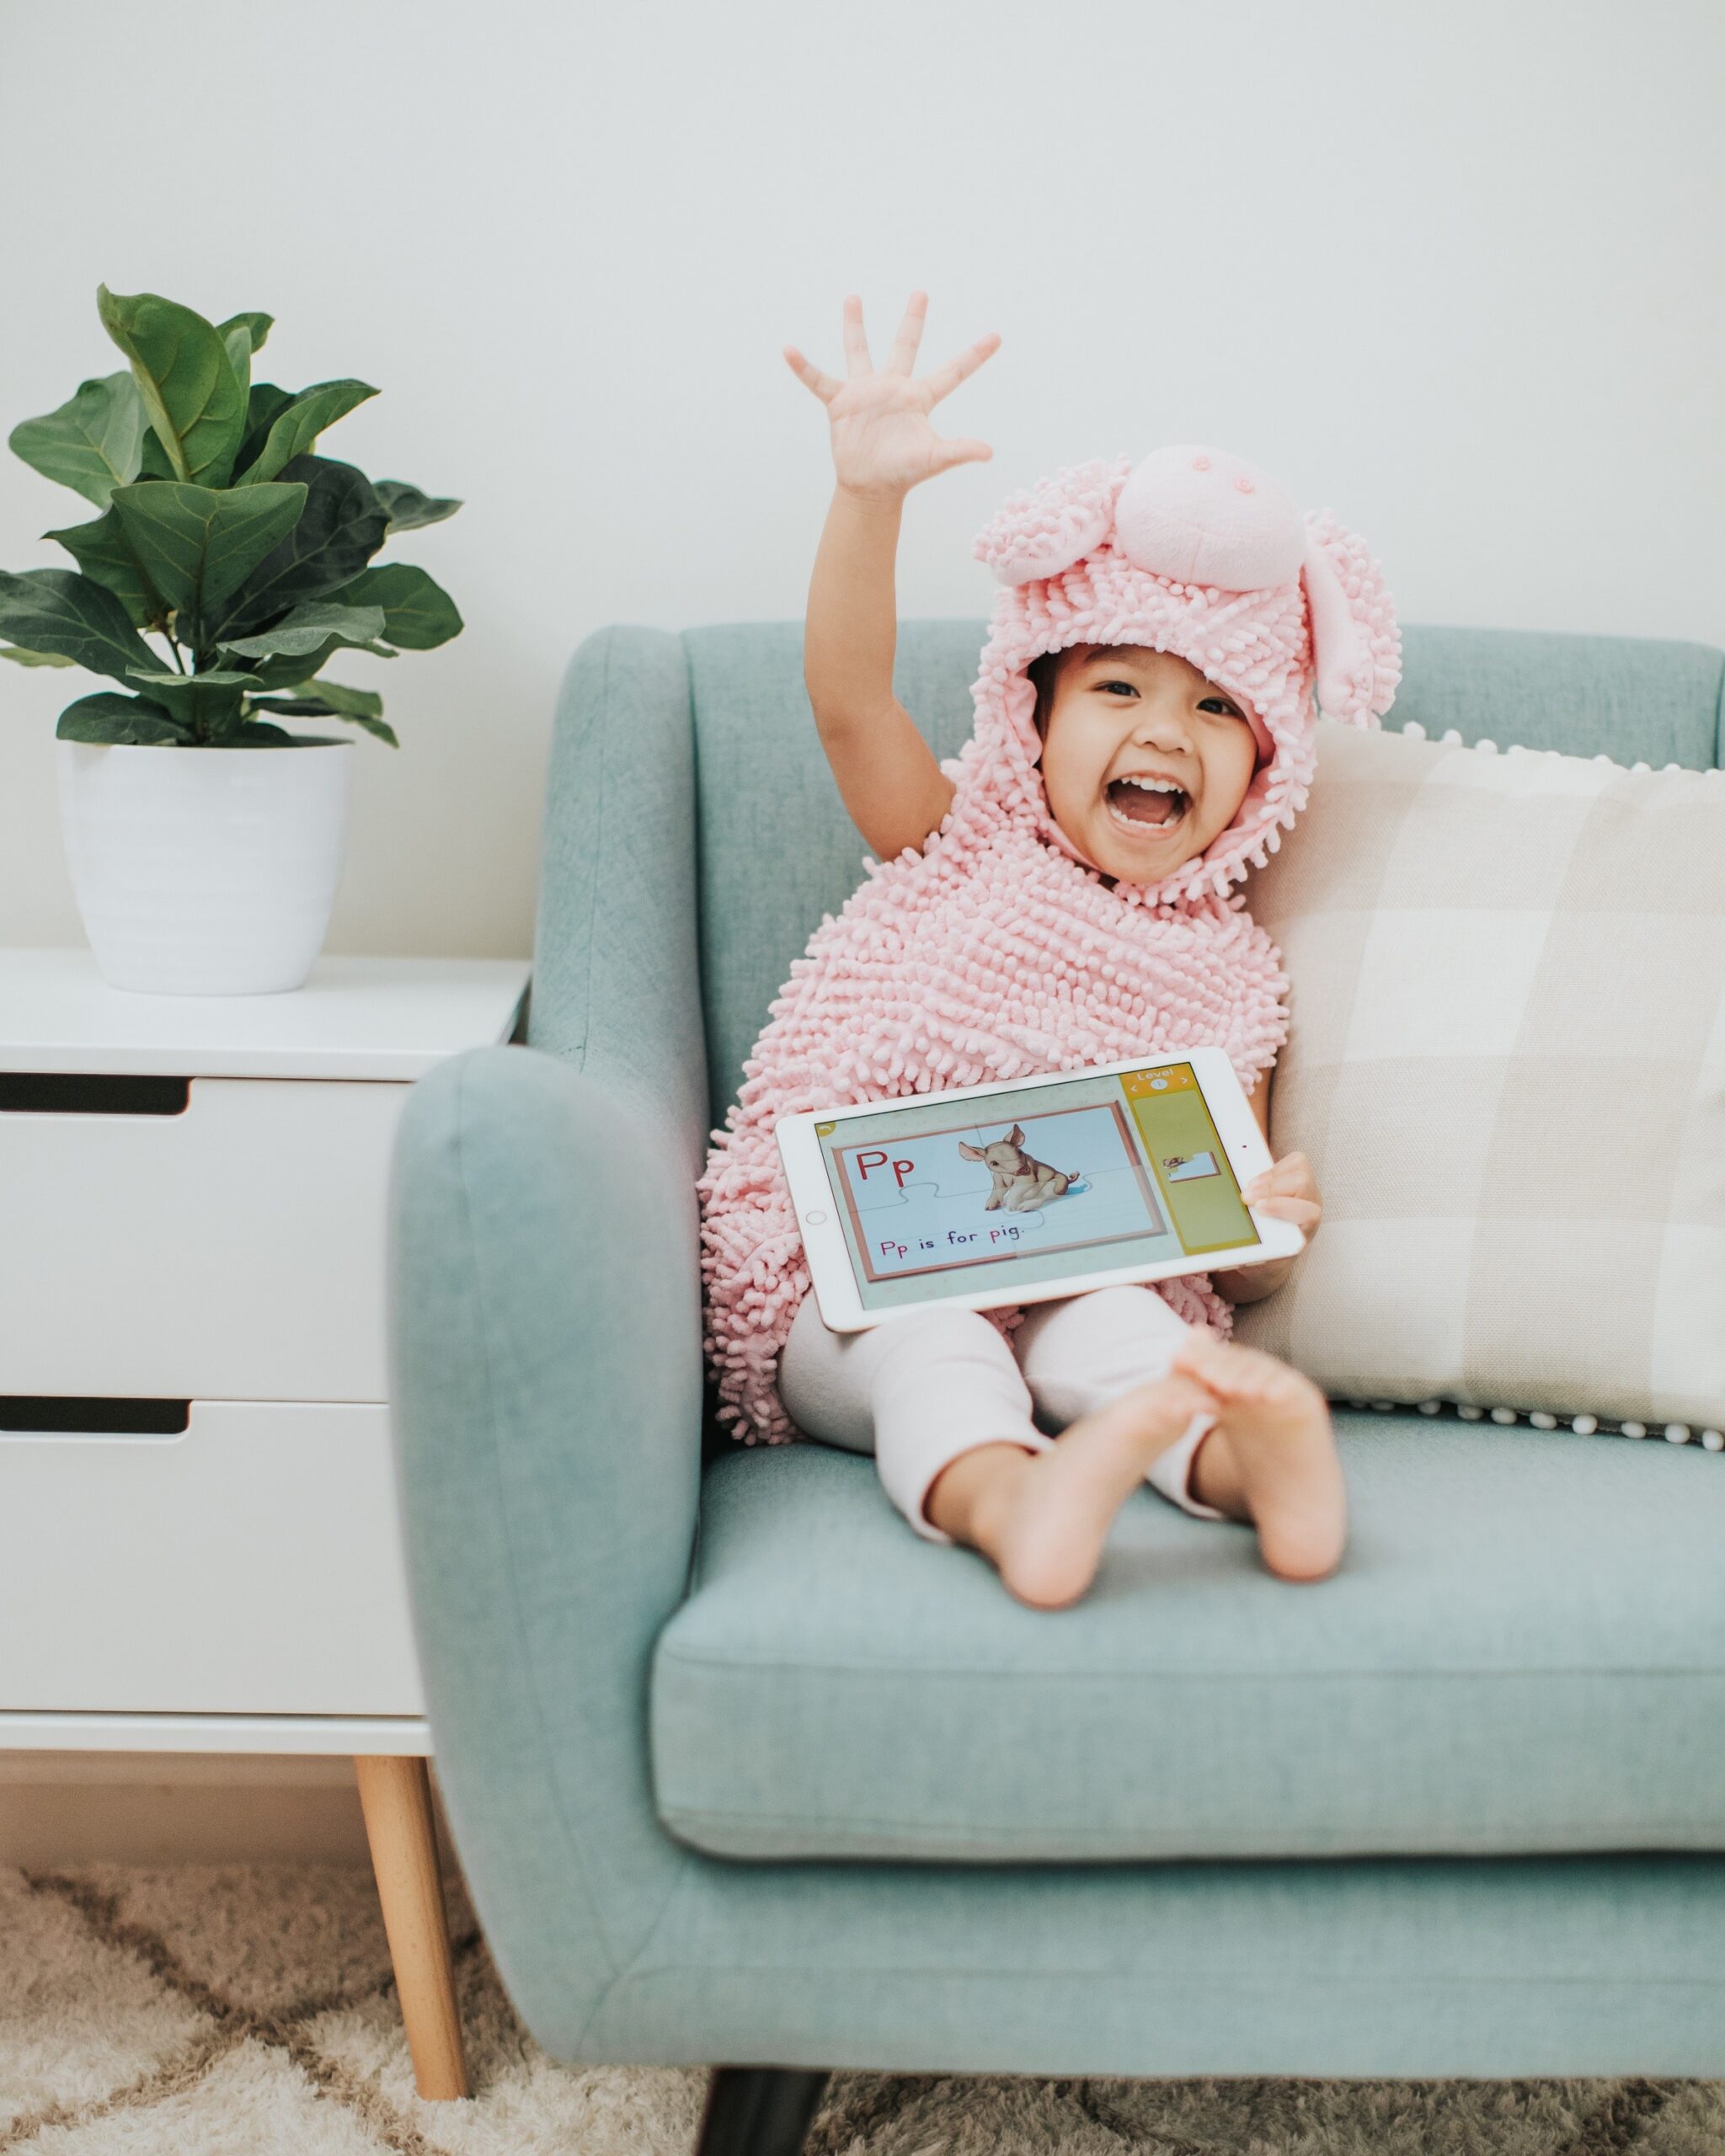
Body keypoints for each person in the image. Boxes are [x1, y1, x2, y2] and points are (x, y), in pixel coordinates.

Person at [696, 291, 1401, 1609]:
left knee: (1137, 1334)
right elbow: (848, 700)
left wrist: (1255, 1237)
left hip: (1085, 1285)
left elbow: (1217, 1223)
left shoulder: (1232, 973)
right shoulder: (961, 837)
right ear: (1034, 714)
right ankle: (1014, 1500)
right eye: (1120, 689)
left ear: (1266, 766)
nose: (1165, 731)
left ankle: (1262, 1474)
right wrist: (868, 497)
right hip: (852, 1291)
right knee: (931, 1349)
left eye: (1214, 708)